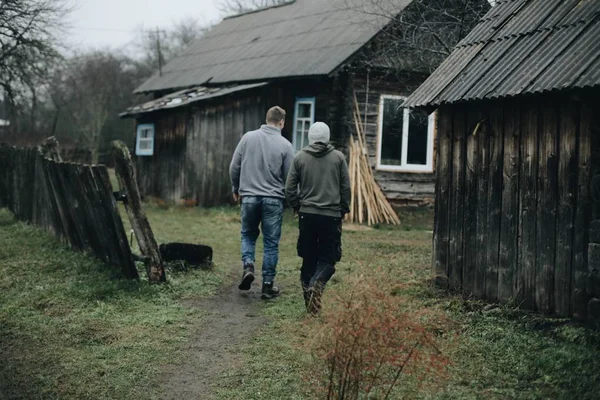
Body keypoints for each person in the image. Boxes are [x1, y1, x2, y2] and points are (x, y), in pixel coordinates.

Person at [229, 106, 295, 299]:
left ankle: (248, 266)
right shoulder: (286, 145)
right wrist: (292, 201)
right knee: (271, 243)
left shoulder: (248, 138)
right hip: (273, 199)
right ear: (282, 122)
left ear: (266, 119)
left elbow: (234, 166)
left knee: (248, 235)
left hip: (249, 197)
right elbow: (290, 177)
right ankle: (267, 286)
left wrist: (236, 188)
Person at [285, 122, 351, 314]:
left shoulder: (299, 158)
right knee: (328, 259)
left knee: (308, 259)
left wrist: (297, 206)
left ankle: (311, 308)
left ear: (310, 138)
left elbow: (289, 188)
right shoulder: (338, 157)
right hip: (331, 217)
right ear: (327, 137)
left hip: (307, 216)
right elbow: (345, 187)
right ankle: (317, 283)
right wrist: (343, 210)